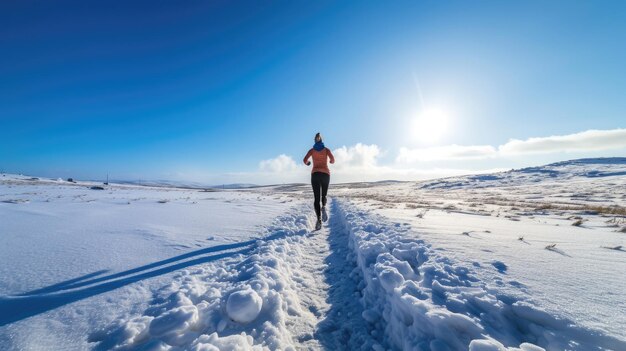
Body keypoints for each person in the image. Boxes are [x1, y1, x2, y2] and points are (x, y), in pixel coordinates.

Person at [303, 132, 335, 230]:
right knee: (323, 195)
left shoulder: (312, 150)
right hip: (325, 174)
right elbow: (333, 160)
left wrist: (308, 163)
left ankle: (319, 219)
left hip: (315, 174)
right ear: (321, 140)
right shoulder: (326, 150)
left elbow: (305, 160)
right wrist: (330, 161)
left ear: (315, 140)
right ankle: (324, 207)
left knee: (316, 199)